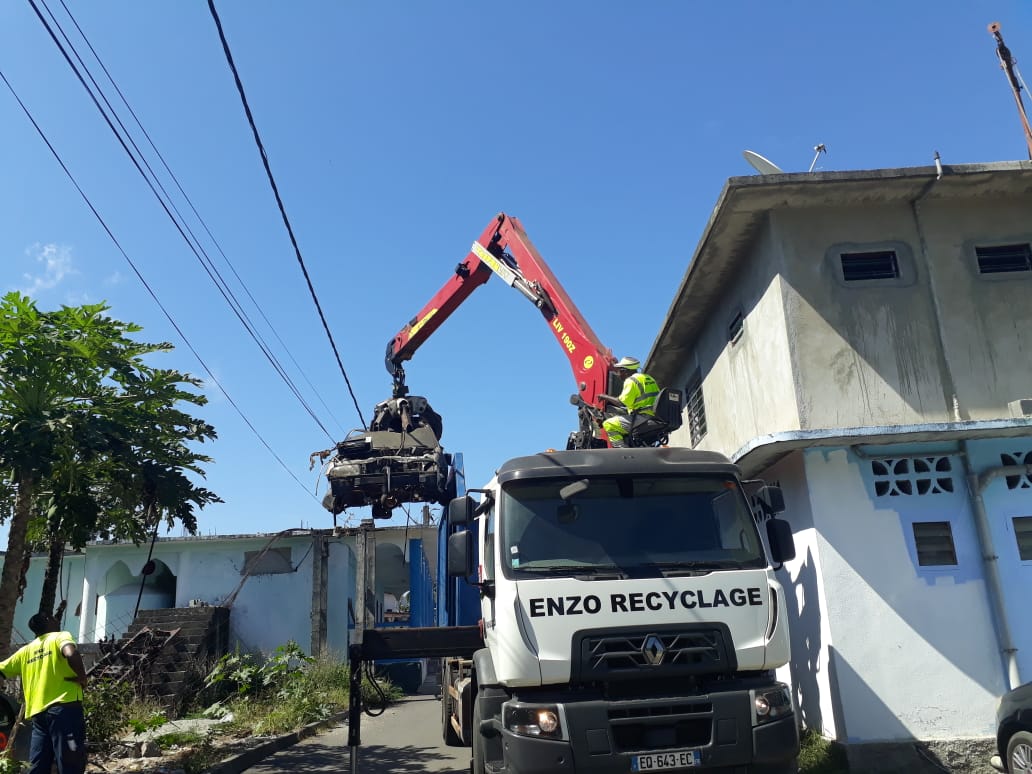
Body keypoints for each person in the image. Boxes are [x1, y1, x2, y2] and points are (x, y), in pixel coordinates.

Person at [0, 612, 88, 774]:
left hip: (39, 717)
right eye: (54, 617)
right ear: (48, 620)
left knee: (38, 764)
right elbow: (71, 653)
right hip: (64, 711)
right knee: (71, 761)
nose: (57, 620)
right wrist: (82, 678)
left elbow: (1, 669)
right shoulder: (59, 637)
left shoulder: (25, 651)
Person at [599, 356, 660, 448]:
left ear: (625, 371)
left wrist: (603, 396)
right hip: (655, 415)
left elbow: (621, 403)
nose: (618, 375)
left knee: (609, 424)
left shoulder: (631, 381)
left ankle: (622, 451)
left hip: (642, 417)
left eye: (619, 371)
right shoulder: (649, 378)